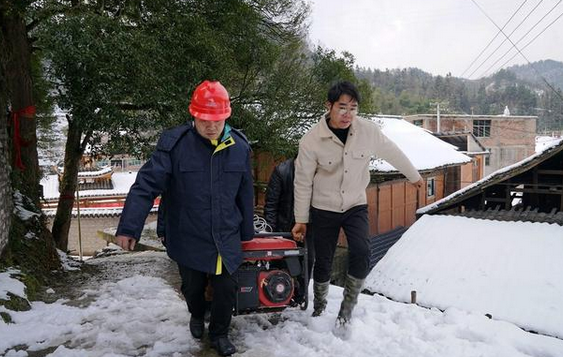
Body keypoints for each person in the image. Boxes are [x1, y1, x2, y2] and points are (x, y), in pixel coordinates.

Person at [115, 80, 254, 357]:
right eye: (204, 119)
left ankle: (219, 334)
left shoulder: (239, 147)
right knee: (193, 287)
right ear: (194, 114)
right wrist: (129, 227)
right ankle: (196, 313)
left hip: (225, 234)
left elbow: (245, 194)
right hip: (188, 231)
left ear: (226, 115)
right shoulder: (175, 145)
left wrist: (246, 234)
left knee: (226, 287)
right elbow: (145, 186)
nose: (211, 125)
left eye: (216, 119)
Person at [291, 81, 423, 328]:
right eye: (342, 107)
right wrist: (301, 219)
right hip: (323, 207)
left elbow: (392, 152)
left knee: (362, 251)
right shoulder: (311, 140)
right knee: (324, 262)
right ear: (328, 106)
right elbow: (302, 182)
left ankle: (346, 310)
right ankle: (319, 307)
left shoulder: (367, 131)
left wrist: (414, 176)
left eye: (353, 108)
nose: (347, 114)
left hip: (355, 204)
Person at [263, 158, 314, 280]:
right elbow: (271, 204)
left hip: (309, 227)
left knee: (307, 261)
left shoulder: (317, 173)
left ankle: (301, 294)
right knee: (280, 264)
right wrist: (271, 233)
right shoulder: (282, 171)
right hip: (283, 227)